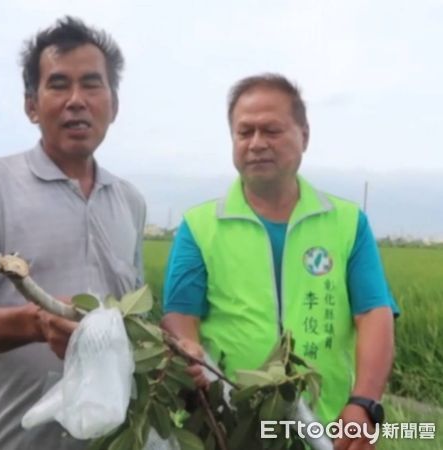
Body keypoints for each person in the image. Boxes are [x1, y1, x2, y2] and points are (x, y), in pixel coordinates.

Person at [0, 16, 146, 450]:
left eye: (92, 85)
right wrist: (38, 322)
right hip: (10, 439)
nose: (76, 100)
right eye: (58, 84)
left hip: (110, 438)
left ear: (113, 105)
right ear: (31, 105)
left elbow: (130, 321)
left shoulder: (130, 201)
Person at [162, 74, 398, 449]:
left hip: (327, 427)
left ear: (304, 135)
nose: (257, 144)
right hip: (227, 427)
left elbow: (373, 314)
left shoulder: (348, 222)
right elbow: (180, 314)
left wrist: (364, 403)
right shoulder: (199, 226)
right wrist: (188, 347)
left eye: (271, 130)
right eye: (245, 132)